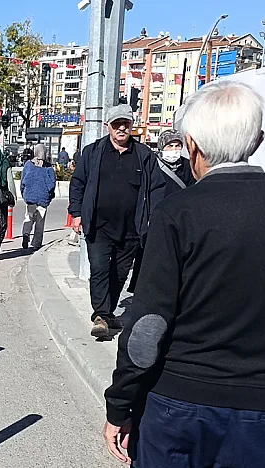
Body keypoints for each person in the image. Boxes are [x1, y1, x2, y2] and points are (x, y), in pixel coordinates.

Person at [103, 80, 265, 467]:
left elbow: (147, 326)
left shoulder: (178, 212)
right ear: (257, 140)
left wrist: (120, 403)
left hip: (180, 403)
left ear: (191, 145)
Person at [68, 103, 162, 339]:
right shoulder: (92, 152)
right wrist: (77, 213)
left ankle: (107, 312)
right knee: (99, 269)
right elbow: (78, 183)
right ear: (107, 126)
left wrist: (154, 220)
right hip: (98, 226)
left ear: (132, 126)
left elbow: (157, 189)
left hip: (131, 229)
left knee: (120, 273)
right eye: (116, 124)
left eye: (126, 124)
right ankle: (101, 314)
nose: (121, 128)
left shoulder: (144, 155)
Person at [126, 129, 194, 293]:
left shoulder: (188, 166)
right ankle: (143, 291)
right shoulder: (152, 165)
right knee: (150, 259)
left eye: (177, 145)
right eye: (170, 145)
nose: (174, 150)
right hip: (156, 220)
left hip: (181, 222)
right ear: (162, 147)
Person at [20, 144, 56, 250]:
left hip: (30, 197)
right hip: (43, 197)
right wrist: (50, 194)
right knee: (40, 221)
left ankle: (25, 234)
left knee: (29, 217)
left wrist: (24, 193)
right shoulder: (48, 167)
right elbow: (52, 184)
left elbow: (23, 181)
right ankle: (36, 243)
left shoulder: (28, 164)